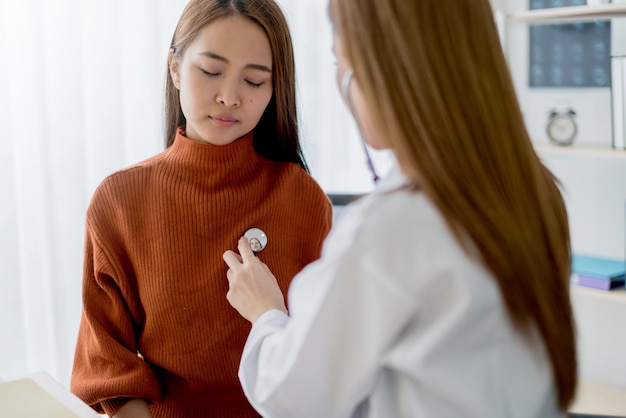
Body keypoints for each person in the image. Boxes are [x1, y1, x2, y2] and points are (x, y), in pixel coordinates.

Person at [222, 0, 578, 416]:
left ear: (380, 71)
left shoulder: (393, 228)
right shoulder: (534, 189)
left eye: (342, 60)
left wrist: (266, 311)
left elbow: (294, 397)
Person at [70, 1, 332, 417]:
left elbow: (327, 364)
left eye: (254, 80)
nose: (230, 97)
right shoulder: (119, 202)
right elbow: (109, 368)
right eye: (211, 71)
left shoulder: (303, 199)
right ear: (174, 67)